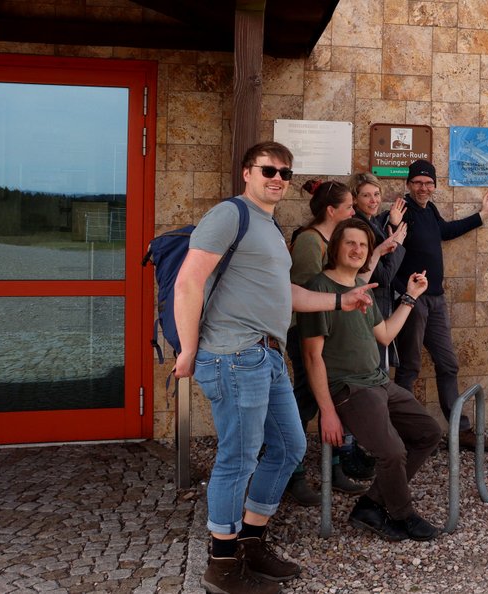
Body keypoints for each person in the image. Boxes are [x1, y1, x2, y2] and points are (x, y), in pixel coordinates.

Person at [173, 141, 376, 593]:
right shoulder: (231, 215)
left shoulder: (267, 225)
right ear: (247, 172)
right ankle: (222, 566)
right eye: (269, 170)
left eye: (285, 172)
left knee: (288, 447)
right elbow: (189, 281)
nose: (278, 178)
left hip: (266, 355)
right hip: (233, 355)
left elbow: (288, 297)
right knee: (237, 458)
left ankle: (251, 540)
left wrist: (343, 300)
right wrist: (188, 350)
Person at [300, 219, 444, 542]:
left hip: (379, 382)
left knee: (428, 432)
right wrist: (328, 411)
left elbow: (386, 335)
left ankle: (370, 503)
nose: (357, 249)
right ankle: (402, 514)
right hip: (349, 389)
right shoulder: (319, 289)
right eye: (350, 243)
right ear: (335, 246)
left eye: (363, 245)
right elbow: (312, 357)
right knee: (392, 451)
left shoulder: (361, 287)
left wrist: (410, 296)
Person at [392, 159, 488, 451]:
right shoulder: (402, 212)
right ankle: (404, 435)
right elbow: (390, 248)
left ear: (434, 186)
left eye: (428, 183)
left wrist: (481, 215)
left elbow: (446, 231)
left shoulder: (429, 210)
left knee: (448, 364)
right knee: (409, 368)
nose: (423, 188)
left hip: (436, 300)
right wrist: (406, 294)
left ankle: (460, 432)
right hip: (412, 301)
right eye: (418, 183)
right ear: (408, 185)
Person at [285, 180, 368, 503]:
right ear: (331, 211)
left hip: (329, 333)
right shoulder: (310, 242)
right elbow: (306, 295)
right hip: (307, 334)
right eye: (349, 206)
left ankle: (332, 470)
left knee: (329, 401)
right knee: (306, 401)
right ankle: (293, 475)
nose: (354, 210)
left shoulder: (333, 240)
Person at [349, 171, 409, 329]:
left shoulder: (372, 221)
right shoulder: (360, 229)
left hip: (378, 301)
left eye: (376, 194)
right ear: (354, 199)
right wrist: (399, 243)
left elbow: (385, 254)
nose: (373, 200)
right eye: (366, 196)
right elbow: (383, 277)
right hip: (369, 302)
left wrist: (394, 225)